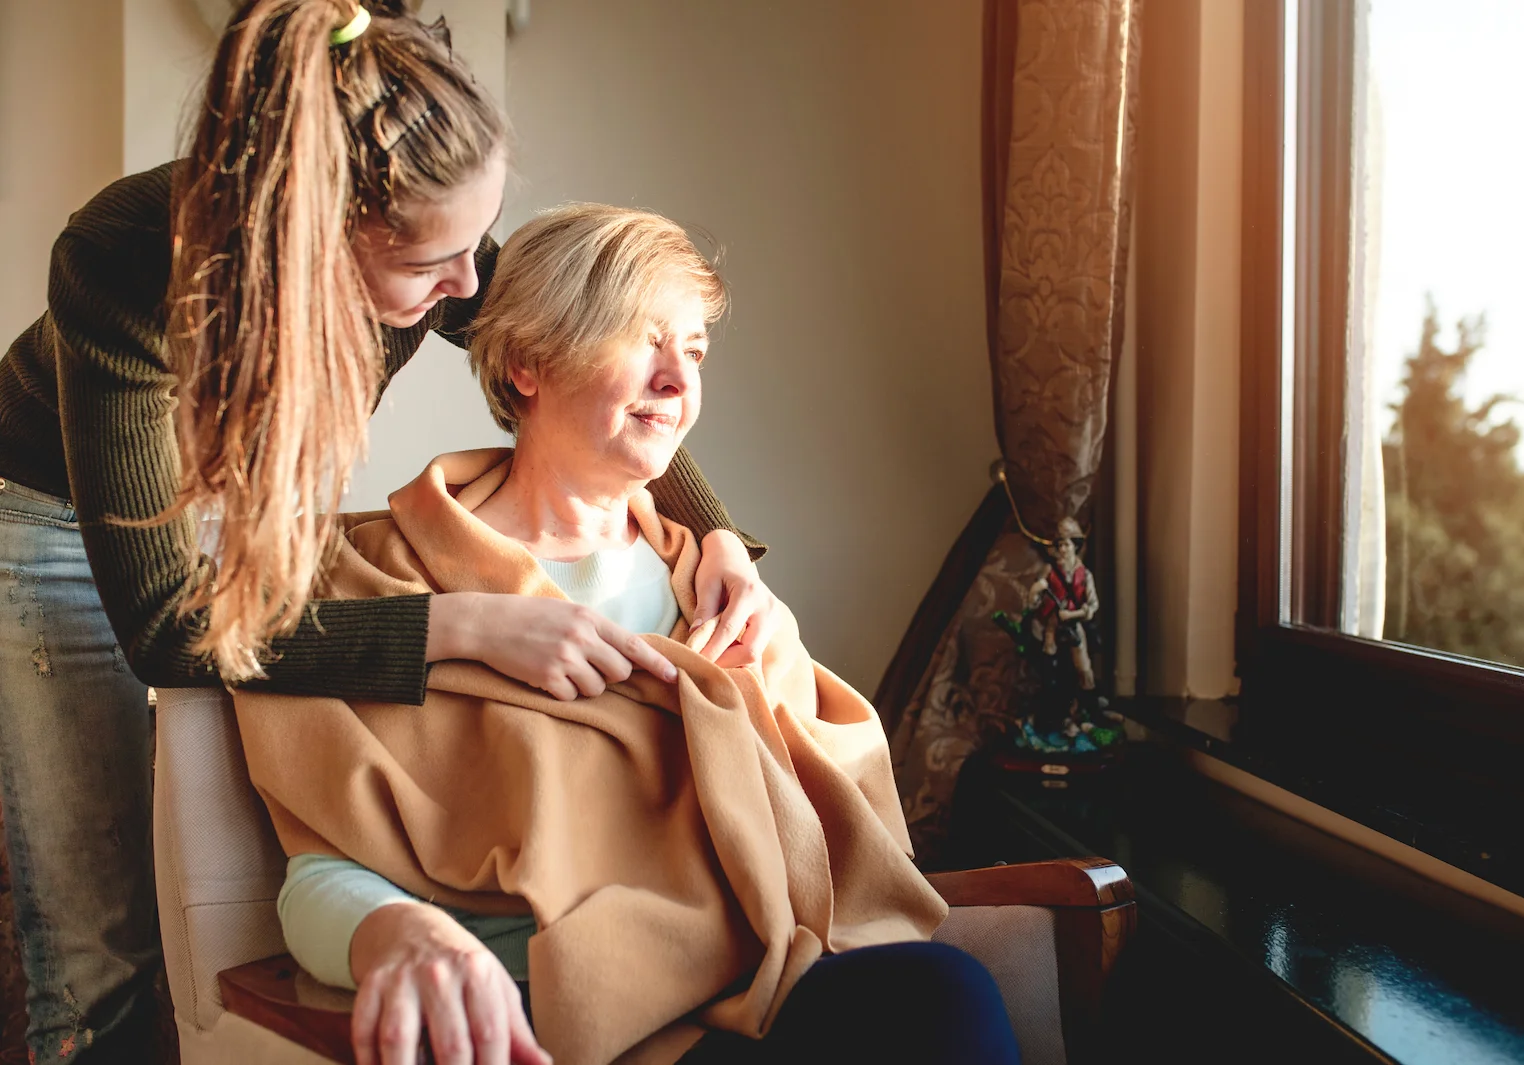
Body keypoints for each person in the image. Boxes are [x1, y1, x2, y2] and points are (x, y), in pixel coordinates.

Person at [0, 4, 778, 1061]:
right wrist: (458, 626)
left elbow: (558, 338)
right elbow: (169, 632)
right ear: (311, 243)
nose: (467, 289)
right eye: (431, 271)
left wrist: (714, 529)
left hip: (226, 496)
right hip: (43, 515)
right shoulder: (125, 265)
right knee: (101, 949)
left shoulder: (431, 227)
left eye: (475, 247)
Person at [245, 204, 1021, 1065]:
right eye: (640, 339)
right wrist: (395, 931)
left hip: (756, 984)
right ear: (529, 363)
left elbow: (835, 840)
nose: (679, 383)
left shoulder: (719, 590)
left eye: (692, 350)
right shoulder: (383, 584)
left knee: (944, 995)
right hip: (553, 1013)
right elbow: (321, 870)